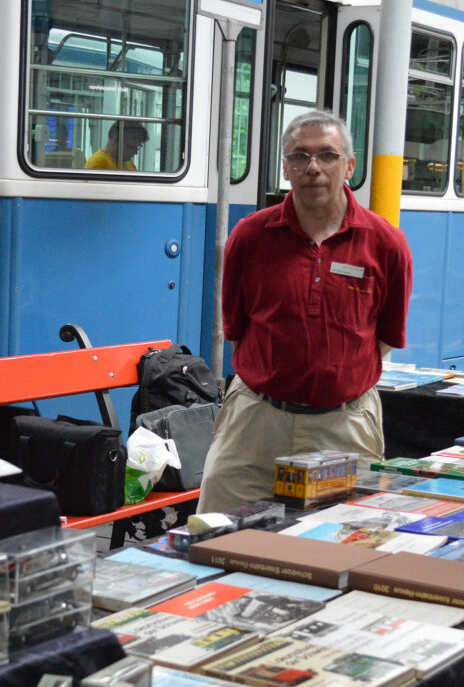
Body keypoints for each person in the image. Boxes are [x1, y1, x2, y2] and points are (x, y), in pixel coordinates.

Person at [197, 109, 413, 513]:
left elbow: (384, 338)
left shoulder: (386, 244)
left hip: (343, 426)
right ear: (285, 167)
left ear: (349, 165)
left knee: (338, 549)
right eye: (300, 156)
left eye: (328, 155)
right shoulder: (251, 236)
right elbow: (238, 329)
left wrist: (331, 376)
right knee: (216, 536)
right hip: (256, 421)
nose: (313, 167)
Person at [84, 121, 148, 170]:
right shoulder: (97, 164)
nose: (136, 153)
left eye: (137, 147)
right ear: (116, 140)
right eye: (131, 147)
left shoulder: (129, 163)